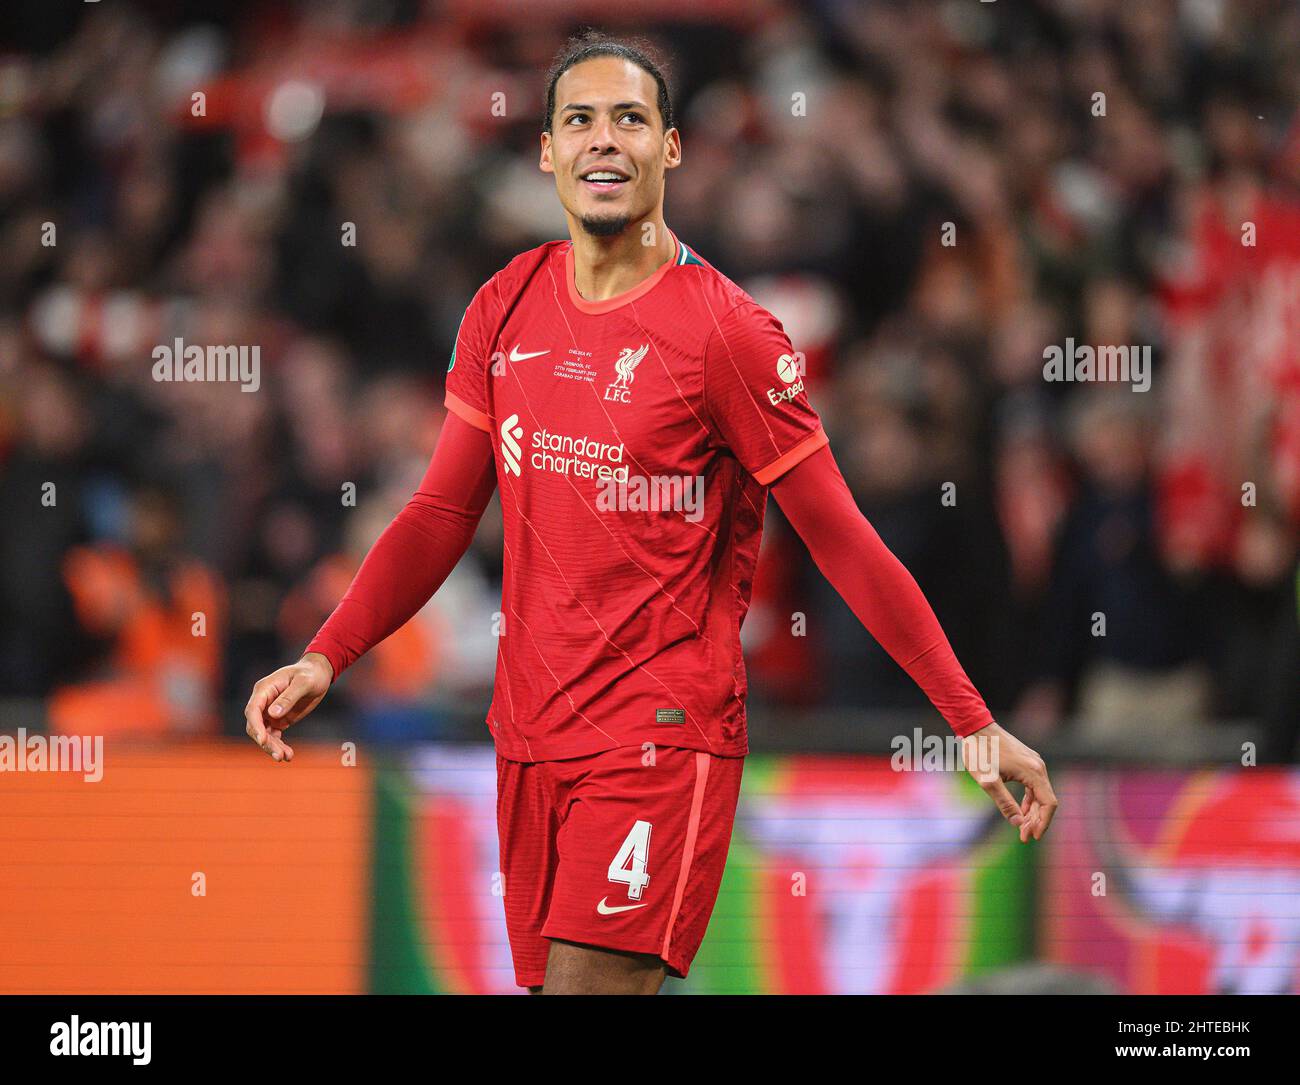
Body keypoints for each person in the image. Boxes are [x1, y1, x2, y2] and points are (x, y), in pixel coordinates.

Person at [243, 31, 1058, 995]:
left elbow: (843, 540)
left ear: (669, 149)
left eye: (630, 118)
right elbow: (438, 513)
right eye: (578, 120)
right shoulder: (503, 308)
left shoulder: (730, 335)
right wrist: (326, 652)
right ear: (545, 151)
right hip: (530, 735)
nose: (602, 140)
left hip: (660, 736)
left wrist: (969, 717)